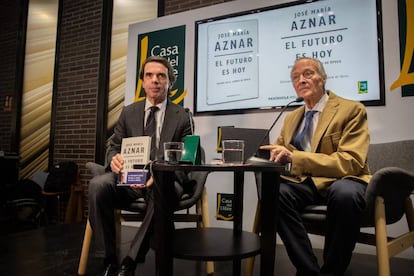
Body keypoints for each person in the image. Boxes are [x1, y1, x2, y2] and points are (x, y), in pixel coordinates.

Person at [260, 57, 371, 276]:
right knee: (274, 192)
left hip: (342, 180)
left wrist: (294, 157)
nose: (301, 80)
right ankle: (308, 270)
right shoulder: (292, 117)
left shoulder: (351, 110)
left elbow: (351, 161)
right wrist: (268, 155)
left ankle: (332, 271)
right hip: (306, 183)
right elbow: (283, 152)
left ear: (323, 78)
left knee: (344, 194)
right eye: (295, 77)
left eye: (308, 74)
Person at [88, 55, 192, 276]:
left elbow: (187, 158)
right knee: (98, 185)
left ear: (169, 82)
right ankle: (108, 260)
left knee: (162, 187)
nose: (155, 80)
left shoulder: (182, 116)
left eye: (161, 76)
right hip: (128, 180)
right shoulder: (129, 112)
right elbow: (113, 146)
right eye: (149, 75)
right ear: (143, 82)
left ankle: (130, 261)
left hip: (163, 182)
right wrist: (114, 159)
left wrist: (159, 174)